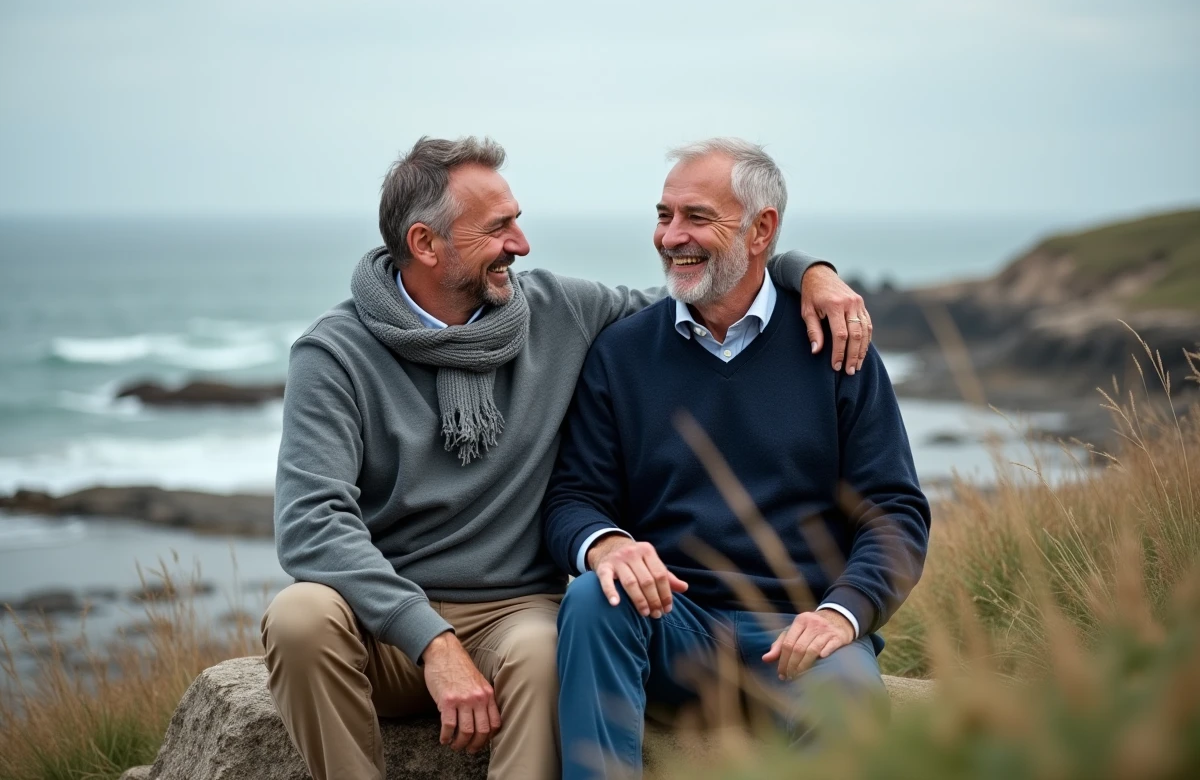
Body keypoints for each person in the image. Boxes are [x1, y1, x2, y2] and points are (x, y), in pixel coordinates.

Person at [260, 135, 874, 780]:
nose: (521, 244)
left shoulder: (561, 311)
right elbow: (311, 524)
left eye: (516, 221)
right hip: (380, 620)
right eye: (498, 229)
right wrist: (429, 640)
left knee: (545, 648)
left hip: (515, 615)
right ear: (424, 244)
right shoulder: (335, 354)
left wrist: (806, 271)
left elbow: (706, 288)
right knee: (300, 617)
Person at [543, 138, 930, 779]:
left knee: (853, 703)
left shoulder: (835, 348)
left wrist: (843, 614)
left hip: (801, 634)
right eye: (664, 215)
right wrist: (606, 544)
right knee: (592, 598)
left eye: (696, 217)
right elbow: (572, 498)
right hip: (672, 626)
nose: (671, 237)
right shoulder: (622, 352)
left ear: (762, 231)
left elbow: (895, 510)